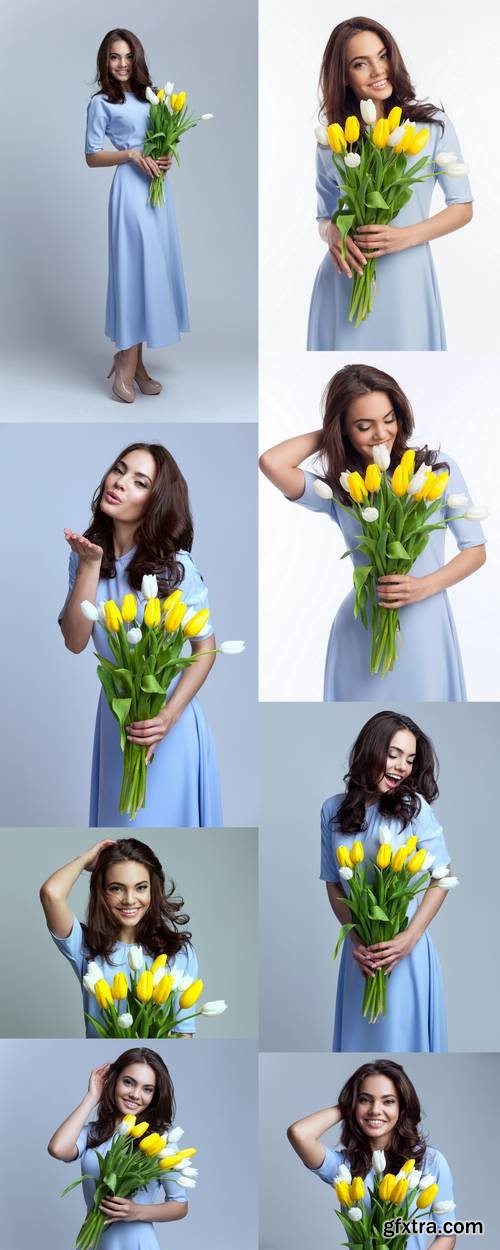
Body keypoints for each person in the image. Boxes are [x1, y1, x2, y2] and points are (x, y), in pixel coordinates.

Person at [259, 363, 486, 700]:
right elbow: (272, 463)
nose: (381, 434)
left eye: (388, 419)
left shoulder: (436, 470)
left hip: (425, 623)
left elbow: (475, 550)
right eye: (364, 426)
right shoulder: (344, 488)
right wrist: (331, 432)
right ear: (345, 429)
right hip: (362, 629)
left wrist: (424, 587)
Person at [60, 441, 222, 826]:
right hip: (116, 720)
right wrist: (89, 566)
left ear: (156, 502)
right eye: (119, 470)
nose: (119, 482)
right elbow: (75, 641)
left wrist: (168, 715)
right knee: (120, 823)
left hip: (163, 723)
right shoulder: (85, 555)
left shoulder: (175, 567)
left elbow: (206, 646)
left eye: (139, 481)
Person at [308, 17, 472, 349]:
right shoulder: (334, 139)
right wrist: (333, 234)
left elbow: (463, 207)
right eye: (360, 63)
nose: (378, 70)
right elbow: (324, 216)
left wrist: (405, 237)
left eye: (382, 56)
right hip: (345, 278)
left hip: (407, 276)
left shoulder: (431, 126)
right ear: (343, 75)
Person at [320, 710, 452, 1051]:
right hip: (362, 956)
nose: (401, 767)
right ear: (371, 750)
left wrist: (411, 936)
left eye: (409, 759)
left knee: (403, 1042)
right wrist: (357, 942)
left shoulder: (415, 807)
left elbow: (442, 876)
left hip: (403, 954)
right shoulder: (332, 811)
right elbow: (334, 882)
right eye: (393, 755)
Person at [86, 29, 189, 399]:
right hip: (129, 193)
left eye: (128, 56)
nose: (122, 63)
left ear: (138, 58)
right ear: (105, 61)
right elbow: (91, 155)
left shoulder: (153, 98)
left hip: (157, 193)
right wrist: (130, 154)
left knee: (152, 272)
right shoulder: (101, 104)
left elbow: (161, 143)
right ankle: (126, 363)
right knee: (134, 271)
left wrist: (164, 160)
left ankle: (137, 362)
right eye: (115, 57)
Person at [288, 1059, 456, 1250]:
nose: (375, 1110)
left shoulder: (430, 1161)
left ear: (402, 1107)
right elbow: (299, 1134)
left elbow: (447, 1235)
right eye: (365, 1099)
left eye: (388, 1101)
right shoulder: (344, 1167)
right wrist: (347, 1106)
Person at [40, 837, 198, 1037]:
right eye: (116, 888)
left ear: (153, 889)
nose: (130, 900)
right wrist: (84, 859)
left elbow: (183, 1035)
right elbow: (51, 893)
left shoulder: (179, 952)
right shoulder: (85, 947)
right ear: (102, 892)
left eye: (141, 887)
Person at [48, 1050, 189, 1247]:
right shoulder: (93, 1133)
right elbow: (58, 1149)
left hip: (137, 1242)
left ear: (155, 1096)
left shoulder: (159, 1142)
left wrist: (136, 1211)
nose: (135, 1095)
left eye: (147, 1089)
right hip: (95, 1240)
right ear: (113, 1081)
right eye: (128, 1082)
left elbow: (180, 1206)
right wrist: (92, 1097)